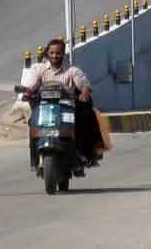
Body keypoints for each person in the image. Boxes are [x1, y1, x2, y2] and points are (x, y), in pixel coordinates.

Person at [26, 39, 102, 174]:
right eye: (52, 52)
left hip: (66, 109)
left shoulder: (72, 70)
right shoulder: (39, 69)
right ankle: (34, 160)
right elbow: (31, 85)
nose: (55, 55)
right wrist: (28, 92)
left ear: (64, 54)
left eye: (59, 53)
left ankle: (81, 155)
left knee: (80, 123)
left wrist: (84, 93)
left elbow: (85, 86)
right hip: (45, 109)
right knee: (33, 125)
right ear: (47, 54)